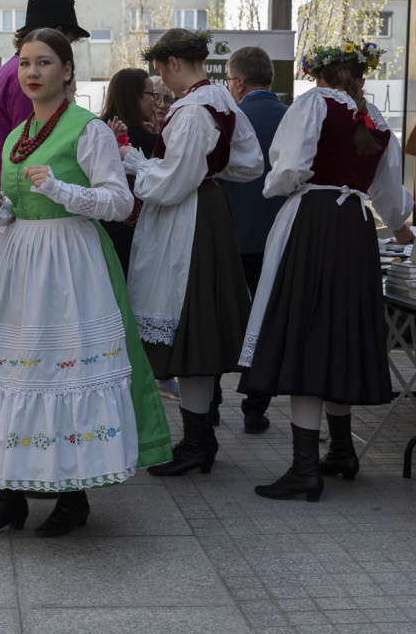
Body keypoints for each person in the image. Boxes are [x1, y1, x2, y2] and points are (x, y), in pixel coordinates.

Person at [0, 28, 171, 538]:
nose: (32, 72)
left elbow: (120, 201)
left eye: (44, 62)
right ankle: (9, 496)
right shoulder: (15, 136)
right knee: (18, 375)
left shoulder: (88, 130)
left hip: (73, 265)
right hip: (22, 265)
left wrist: (61, 189)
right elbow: (21, 207)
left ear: (67, 70)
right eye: (25, 62)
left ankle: (73, 498)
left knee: (65, 374)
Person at [240, 41, 414, 501]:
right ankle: (341, 450)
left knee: (306, 335)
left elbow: (290, 169)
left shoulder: (313, 103)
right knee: (336, 334)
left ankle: (305, 469)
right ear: (360, 75)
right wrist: (402, 229)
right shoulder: (377, 121)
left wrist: (277, 187)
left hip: (315, 221)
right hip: (355, 228)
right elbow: (391, 200)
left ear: (318, 74)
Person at [121, 29, 263, 477]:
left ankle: (198, 444)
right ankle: (199, 441)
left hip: (187, 219)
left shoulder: (192, 110)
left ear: (174, 64)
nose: (161, 81)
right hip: (208, 209)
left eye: (161, 71)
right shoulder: (222, 101)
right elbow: (250, 163)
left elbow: (169, 184)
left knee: (187, 322)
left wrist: (134, 163)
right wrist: (209, 171)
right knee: (195, 331)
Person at [0, 0, 89, 291]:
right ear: (58, 33)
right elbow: (39, 147)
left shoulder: (3, 74)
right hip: (10, 213)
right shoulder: (30, 82)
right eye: (69, 41)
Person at [219, 46, 289, 435]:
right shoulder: (293, 118)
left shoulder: (230, 119)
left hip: (230, 235)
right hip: (278, 239)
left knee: (220, 318)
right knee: (265, 322)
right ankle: (255, 406)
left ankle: (208, 405)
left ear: (240, 82)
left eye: (230, 80)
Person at [98, 67, 159, 274]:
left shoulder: (95, 129)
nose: (155, 102)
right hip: (131, 236)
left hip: (99, 231)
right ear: (134, 97)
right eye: (152, 95)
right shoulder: (149, 141)